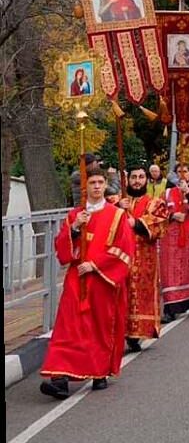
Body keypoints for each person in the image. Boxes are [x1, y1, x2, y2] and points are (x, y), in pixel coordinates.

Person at [40, 165, 136, 399]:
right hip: (77, 279)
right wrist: (74, 229)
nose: (95, 187)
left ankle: (99, 372)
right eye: (91, 183)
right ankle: (60, 378)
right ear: (86, 187)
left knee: (98, 328)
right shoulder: (76, 215)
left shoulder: (117, 215)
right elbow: (62, 249)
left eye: (99, 183)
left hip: (102, 281)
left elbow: (125, 250)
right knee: (68, 327)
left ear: (105, 186)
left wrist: (95, 264)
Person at [119, 162, 167, 353]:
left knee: (140, 295)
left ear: (146, 179)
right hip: (120, 258)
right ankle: (120, 332)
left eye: (140, 177)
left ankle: (135, 333)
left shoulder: (155, 202)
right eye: (133, 177)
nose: (137, 181)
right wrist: (116, 207)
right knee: (121, 295)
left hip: (144, 258)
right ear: (127, 180)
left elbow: (159, 225)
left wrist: (136, 223)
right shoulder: (118, 201)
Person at [160, 164, 189, 321]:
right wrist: (172, 216)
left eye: (185, 171)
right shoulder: (167, 193)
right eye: (178, 172)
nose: (182, 175)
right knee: (170, 272)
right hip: (171, 238)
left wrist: (188, 193)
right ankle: (170, 309)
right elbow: (158, 212)